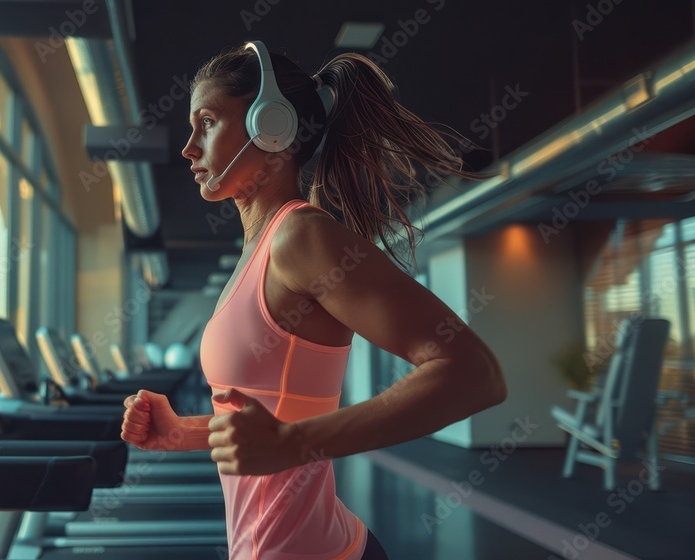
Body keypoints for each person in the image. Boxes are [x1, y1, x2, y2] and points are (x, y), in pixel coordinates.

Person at [120, 41, 507, 560]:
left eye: (207, 122)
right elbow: (278, 411)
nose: (189, 147)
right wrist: (182, 432)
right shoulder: (259, 251)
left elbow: (473, 373)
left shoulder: (300, 238)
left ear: (271, 127)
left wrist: (291, 445)